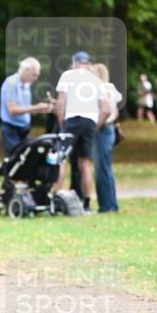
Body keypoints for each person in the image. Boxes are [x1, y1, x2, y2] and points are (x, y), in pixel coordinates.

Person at [55, 51, 111, 214]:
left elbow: (61, 103)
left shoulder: (68, 76)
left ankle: (57, 197)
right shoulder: (96, 80)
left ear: (74, 62)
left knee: (61, 159)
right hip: (89, 122)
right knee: (85, 163)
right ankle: (87, 203)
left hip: (72, 120)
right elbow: (106, 108)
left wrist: (62, 125)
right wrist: (95, 126)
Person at [0, 58, 52, 156]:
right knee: (14, 160)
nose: (36, 78)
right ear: (26, 70)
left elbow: (25, 108)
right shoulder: (11, 83)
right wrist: (36, 107)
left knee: (26, 160)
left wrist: (41, 109)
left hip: (24, 129)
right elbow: (13, 110)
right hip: (12, 129)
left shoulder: (26, 85)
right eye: (34, 74)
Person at [92, 63, 122, 213]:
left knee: (101, 168)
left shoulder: (102, 89)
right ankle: (110, 203)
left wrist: (95, 127)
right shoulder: (109, 88)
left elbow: (107, 112)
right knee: (105, 168)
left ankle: (106, 205)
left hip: (103, 130)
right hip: (108, 130)